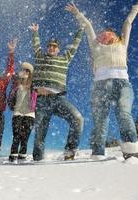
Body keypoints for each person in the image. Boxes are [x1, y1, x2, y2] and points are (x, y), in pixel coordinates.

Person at [66, 2, 138, 159]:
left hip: (123, 84)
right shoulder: (95, 46)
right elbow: (87, 26)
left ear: (115, 36)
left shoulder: (122, 44)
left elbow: (127, 23)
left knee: (123, 112)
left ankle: (132, 150)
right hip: (101, 85)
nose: (105, 35)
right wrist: (78, 14)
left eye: (109, 33)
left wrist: (135, 9)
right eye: (102, 33)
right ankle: (98, 153)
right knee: (100, 120)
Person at [29, 20, 84, 161]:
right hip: (41, 101)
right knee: (40, 133)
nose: (52, 48)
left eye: (55, 46)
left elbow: (74, 46)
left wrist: (81, 30)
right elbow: (36, 46)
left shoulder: (64, 59)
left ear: (58, 49)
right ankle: (37, 160)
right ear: (47, 48)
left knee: (77, 118)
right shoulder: (40, 57)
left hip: (59, 98)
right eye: (50, 46)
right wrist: (35, 32)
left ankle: (69, 153)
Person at [8, 62, 35, 162]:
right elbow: (11, 96)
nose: (25, 72)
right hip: (17, 113)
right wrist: (11, 105)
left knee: (25, 138)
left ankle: (22, 158)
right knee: (16, 136)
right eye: (24, 70)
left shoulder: (33, 85)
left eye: (28, 71)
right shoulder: (16, 84)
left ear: (30, 73)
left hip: (30, 114)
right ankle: (12, 158)